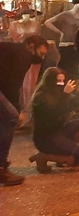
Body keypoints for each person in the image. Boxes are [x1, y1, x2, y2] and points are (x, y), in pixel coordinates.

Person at [0, 35, 50, 186]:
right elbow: (12, 85)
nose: (42, 58)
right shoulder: (23, 54)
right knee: (10, 117)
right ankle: (1, 168)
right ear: (31, 45)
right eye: (41, 54)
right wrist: (17, 110)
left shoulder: (13, 51)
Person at [28, 68, 79, 173]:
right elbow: (54, 112)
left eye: (62, 80)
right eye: (58, 81)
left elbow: (72, 104)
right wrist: (65, 95)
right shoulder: (41, 97)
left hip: (59, 130)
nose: (61, 84)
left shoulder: (58, 92)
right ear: (50, 81)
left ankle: (62, 153)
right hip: (46, 137)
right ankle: (44, 156)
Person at [44, 0, 79, 80]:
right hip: (65, 45)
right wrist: (60, 32)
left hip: (77, 46)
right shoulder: (65, 15)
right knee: (63, 67)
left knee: (75, 69)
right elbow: (47, 22)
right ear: (76, 2)